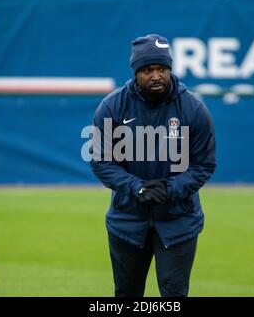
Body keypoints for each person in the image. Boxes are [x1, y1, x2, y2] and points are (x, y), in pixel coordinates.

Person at [90, 33, 216, 297]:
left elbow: (203, 164)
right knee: (126, 295)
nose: (156, 76)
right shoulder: (113, 106)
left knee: (174, 295)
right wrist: (137, 188)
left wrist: (170, 189)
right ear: (136, 72)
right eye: (148, 70)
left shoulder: (193, 109)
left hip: (179, 222)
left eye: (162, 69)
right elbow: (101, 161)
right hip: (127, 222)